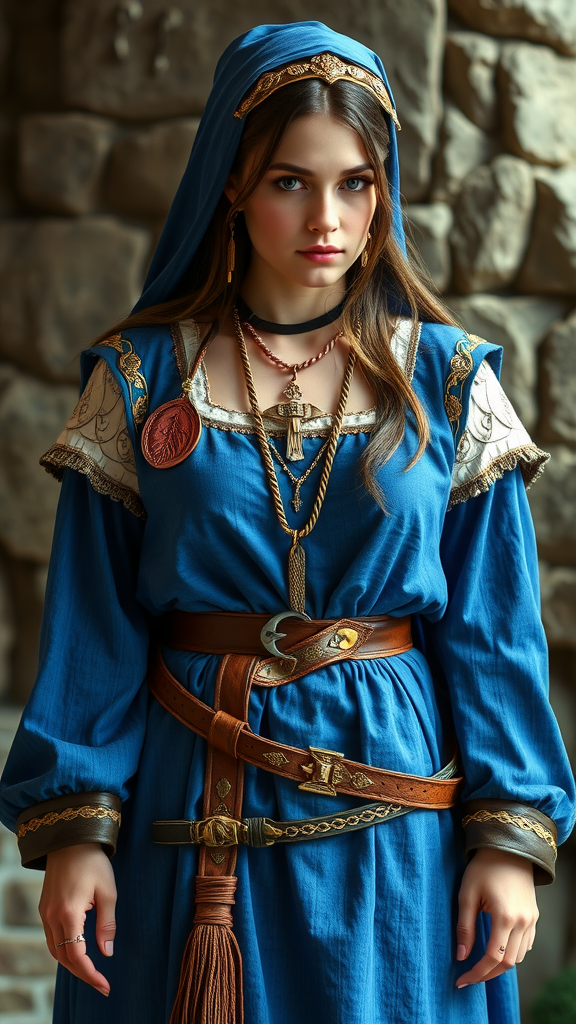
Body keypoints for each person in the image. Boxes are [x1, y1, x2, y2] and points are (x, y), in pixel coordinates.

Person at [0, 20, 573, 1024]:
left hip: (396, 817)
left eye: (356, 183)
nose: (327, 218)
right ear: (232, 182)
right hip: (193, 798)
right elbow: (93, 621)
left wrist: (508, 838)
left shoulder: (448, 384)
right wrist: (79, 831)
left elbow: (495, 633)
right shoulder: (141, 379)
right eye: (289, 182)